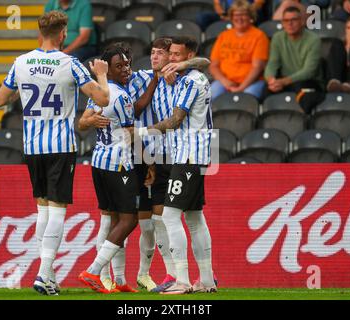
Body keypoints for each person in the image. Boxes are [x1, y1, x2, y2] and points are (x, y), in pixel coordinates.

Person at [0, 10, 109, 296]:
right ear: (62, 35)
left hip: (32, 146)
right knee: (57, 209)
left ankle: (48, 274)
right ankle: (44, 274)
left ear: (39, 33)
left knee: (42, 209)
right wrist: (102, 76)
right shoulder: (69, 63)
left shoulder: (20, 62)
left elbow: (0, 99)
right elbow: (102, 98)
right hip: (59, 145)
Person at [133, 36, 216, 294]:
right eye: (170, 54)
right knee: (194, 217)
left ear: (188, 56)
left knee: (169, 215)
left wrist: (141, 133)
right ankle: (207, 280)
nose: (171, 58)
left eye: (177, 55)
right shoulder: (181, 76)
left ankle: (182, 279)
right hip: (190, 153)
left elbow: (175, 120)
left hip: (188, 154)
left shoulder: (190, 80)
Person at [78, 43, 141, 294]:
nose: (125, 69)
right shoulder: (122, 96)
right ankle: (93, 271)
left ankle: (118, 280)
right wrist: (160, 133)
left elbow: (83, 122)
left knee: (114, 220)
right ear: (109, 71)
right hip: (119, 163)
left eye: (127, 64)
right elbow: (129, 134)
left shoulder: (98, 93)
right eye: (119, 66)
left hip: (99, 162)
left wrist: (90, 120)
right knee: (129, 220)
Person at [263, 6, 324, 113]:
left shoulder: (313, 39)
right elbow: (272, 64)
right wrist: (271, 80)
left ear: (302, 21)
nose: (289, 24)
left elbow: (309, 71)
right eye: (286, 20)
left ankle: (304, 123)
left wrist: (284, 81)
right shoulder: (277, 38)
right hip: (286, 81)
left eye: (294, 20)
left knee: (304, 92)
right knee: (266, 90)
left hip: (309, 82)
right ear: (282, 23)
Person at [209, 0, 269, 100]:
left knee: (246, 98)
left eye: (243, 15)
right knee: (209, 96)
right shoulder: (224, 36)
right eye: (236, 15)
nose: (239, 18)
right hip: (225, 81)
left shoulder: (259, 36)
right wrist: (225, 82)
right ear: (231, 17)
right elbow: (214, 65)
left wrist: (241, 87)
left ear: (250, 16)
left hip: (251, 82)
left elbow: (257, 67)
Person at [196, 0, 268, 30]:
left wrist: (243, 13)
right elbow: (217, 4)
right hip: (228, 13)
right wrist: (223, 15)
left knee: (258, 13)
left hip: (247, 13)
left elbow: (259, 3)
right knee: (202, 18)